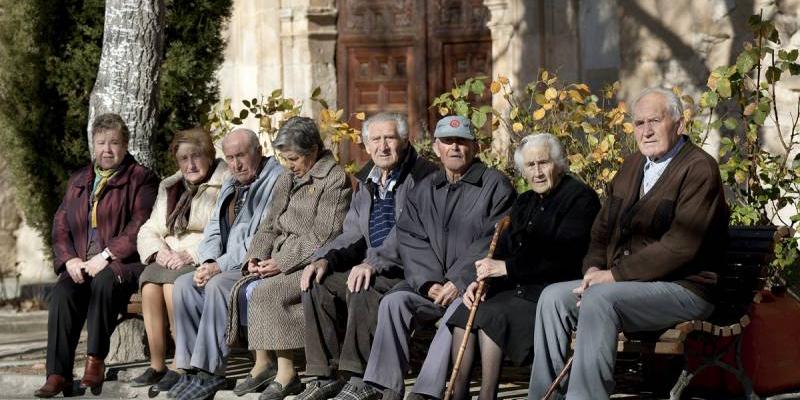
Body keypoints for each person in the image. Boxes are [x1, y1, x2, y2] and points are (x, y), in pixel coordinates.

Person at [528, 88, 729, 400]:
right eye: (639, 123)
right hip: (630, 287)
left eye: (654, 121)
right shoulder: (632, 165)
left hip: (686, 288)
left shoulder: (699, 169)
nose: (646, 131)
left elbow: (680, 246)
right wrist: (593, 269)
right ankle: (544, 396)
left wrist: (613, 277)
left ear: (678, 124)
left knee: (600, 299)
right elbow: (601, 232)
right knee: (553, 298)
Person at [343, 115, 516, 400]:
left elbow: (492, 240)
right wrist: (428, 283)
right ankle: (385, 387)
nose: (455, 148)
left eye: (462, 142)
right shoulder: (427, 187)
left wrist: (458, 281)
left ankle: (426, 392)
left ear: (476, 147)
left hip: (472, 287)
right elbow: (410, 239)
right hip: (431, 285)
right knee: (394, 301)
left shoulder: (495, 185)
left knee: (456, 311)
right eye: (448, 142)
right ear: (436, 148)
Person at [445, 133, 600, 400]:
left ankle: (487, 396)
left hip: (552, 290)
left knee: (494, 316)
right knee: (464, 314)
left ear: (559, 164)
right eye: (530, 166)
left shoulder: (580, 198)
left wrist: (505, 269)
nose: (537, 172)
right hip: (516, 288)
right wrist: (482, 281)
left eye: (544, 163)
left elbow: (566, 256)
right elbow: (503, 250)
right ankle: (458, 396)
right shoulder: (525, 201)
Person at [294, 113, 437, 400]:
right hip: (373, 266)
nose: (383, 146)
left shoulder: (423, 177)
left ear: (404, 140)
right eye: (376, 139)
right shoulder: (369, 179)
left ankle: (360, 379)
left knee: (363, 288)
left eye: (390, 138)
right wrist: (325, 259)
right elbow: (352, 233)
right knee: (317, 282)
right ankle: (324, 374)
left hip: (410, 270)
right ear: (366, 145)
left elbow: (409, 233)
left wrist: (373, 263)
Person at [224, 116, 352, 400]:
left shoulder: (334, 179)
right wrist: (256, 257)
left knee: (268, 292)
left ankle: (287, 374)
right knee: (247, 286)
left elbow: (325, 235)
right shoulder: (286, 178)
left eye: (293, 158)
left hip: (310, 260)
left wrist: (282, 263)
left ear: (313, 151)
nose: (289, 165)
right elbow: (269, 224)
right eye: (285, 158)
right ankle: (262, 363)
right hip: (279, 254)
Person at [35, 113, 158, 398]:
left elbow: (139, 224)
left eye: (114, 142)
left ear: (125, 145)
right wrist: (69, 260)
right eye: (101, 142)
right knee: (63, 292)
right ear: (93, 145)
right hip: (82, 264)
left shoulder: (142, 178)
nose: (107, 149)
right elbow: (61, 224)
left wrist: (106, 254)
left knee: (104, 281)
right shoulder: (79, 179)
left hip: (123, 264)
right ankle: (58, 374)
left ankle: (95, 361)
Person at [167, 128, 283, 400]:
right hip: (224, 264)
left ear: (258, 152)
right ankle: (190, 370)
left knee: (218, 285)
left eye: (241, 156)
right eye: (229, 158)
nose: (235, 164)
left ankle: (211, 373)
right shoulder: (232, 182)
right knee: (184, 284)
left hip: (254, 265)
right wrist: (207, 261)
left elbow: (259, 238)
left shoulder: (276, 180)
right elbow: (213, 231)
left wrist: (218, 266)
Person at [130, 128, 229, 388]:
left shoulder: (224, 182)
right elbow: (149, 228)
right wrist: (157, 251)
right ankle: (157, 364)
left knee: (174, 284)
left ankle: (181, 363)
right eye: (184, 159)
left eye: (196, 156)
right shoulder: (170, 185)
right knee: (150, 284)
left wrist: (191, 254)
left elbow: (222, 230)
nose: (190, 164)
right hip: (169, 255)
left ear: (209, 156)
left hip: (201, 257)